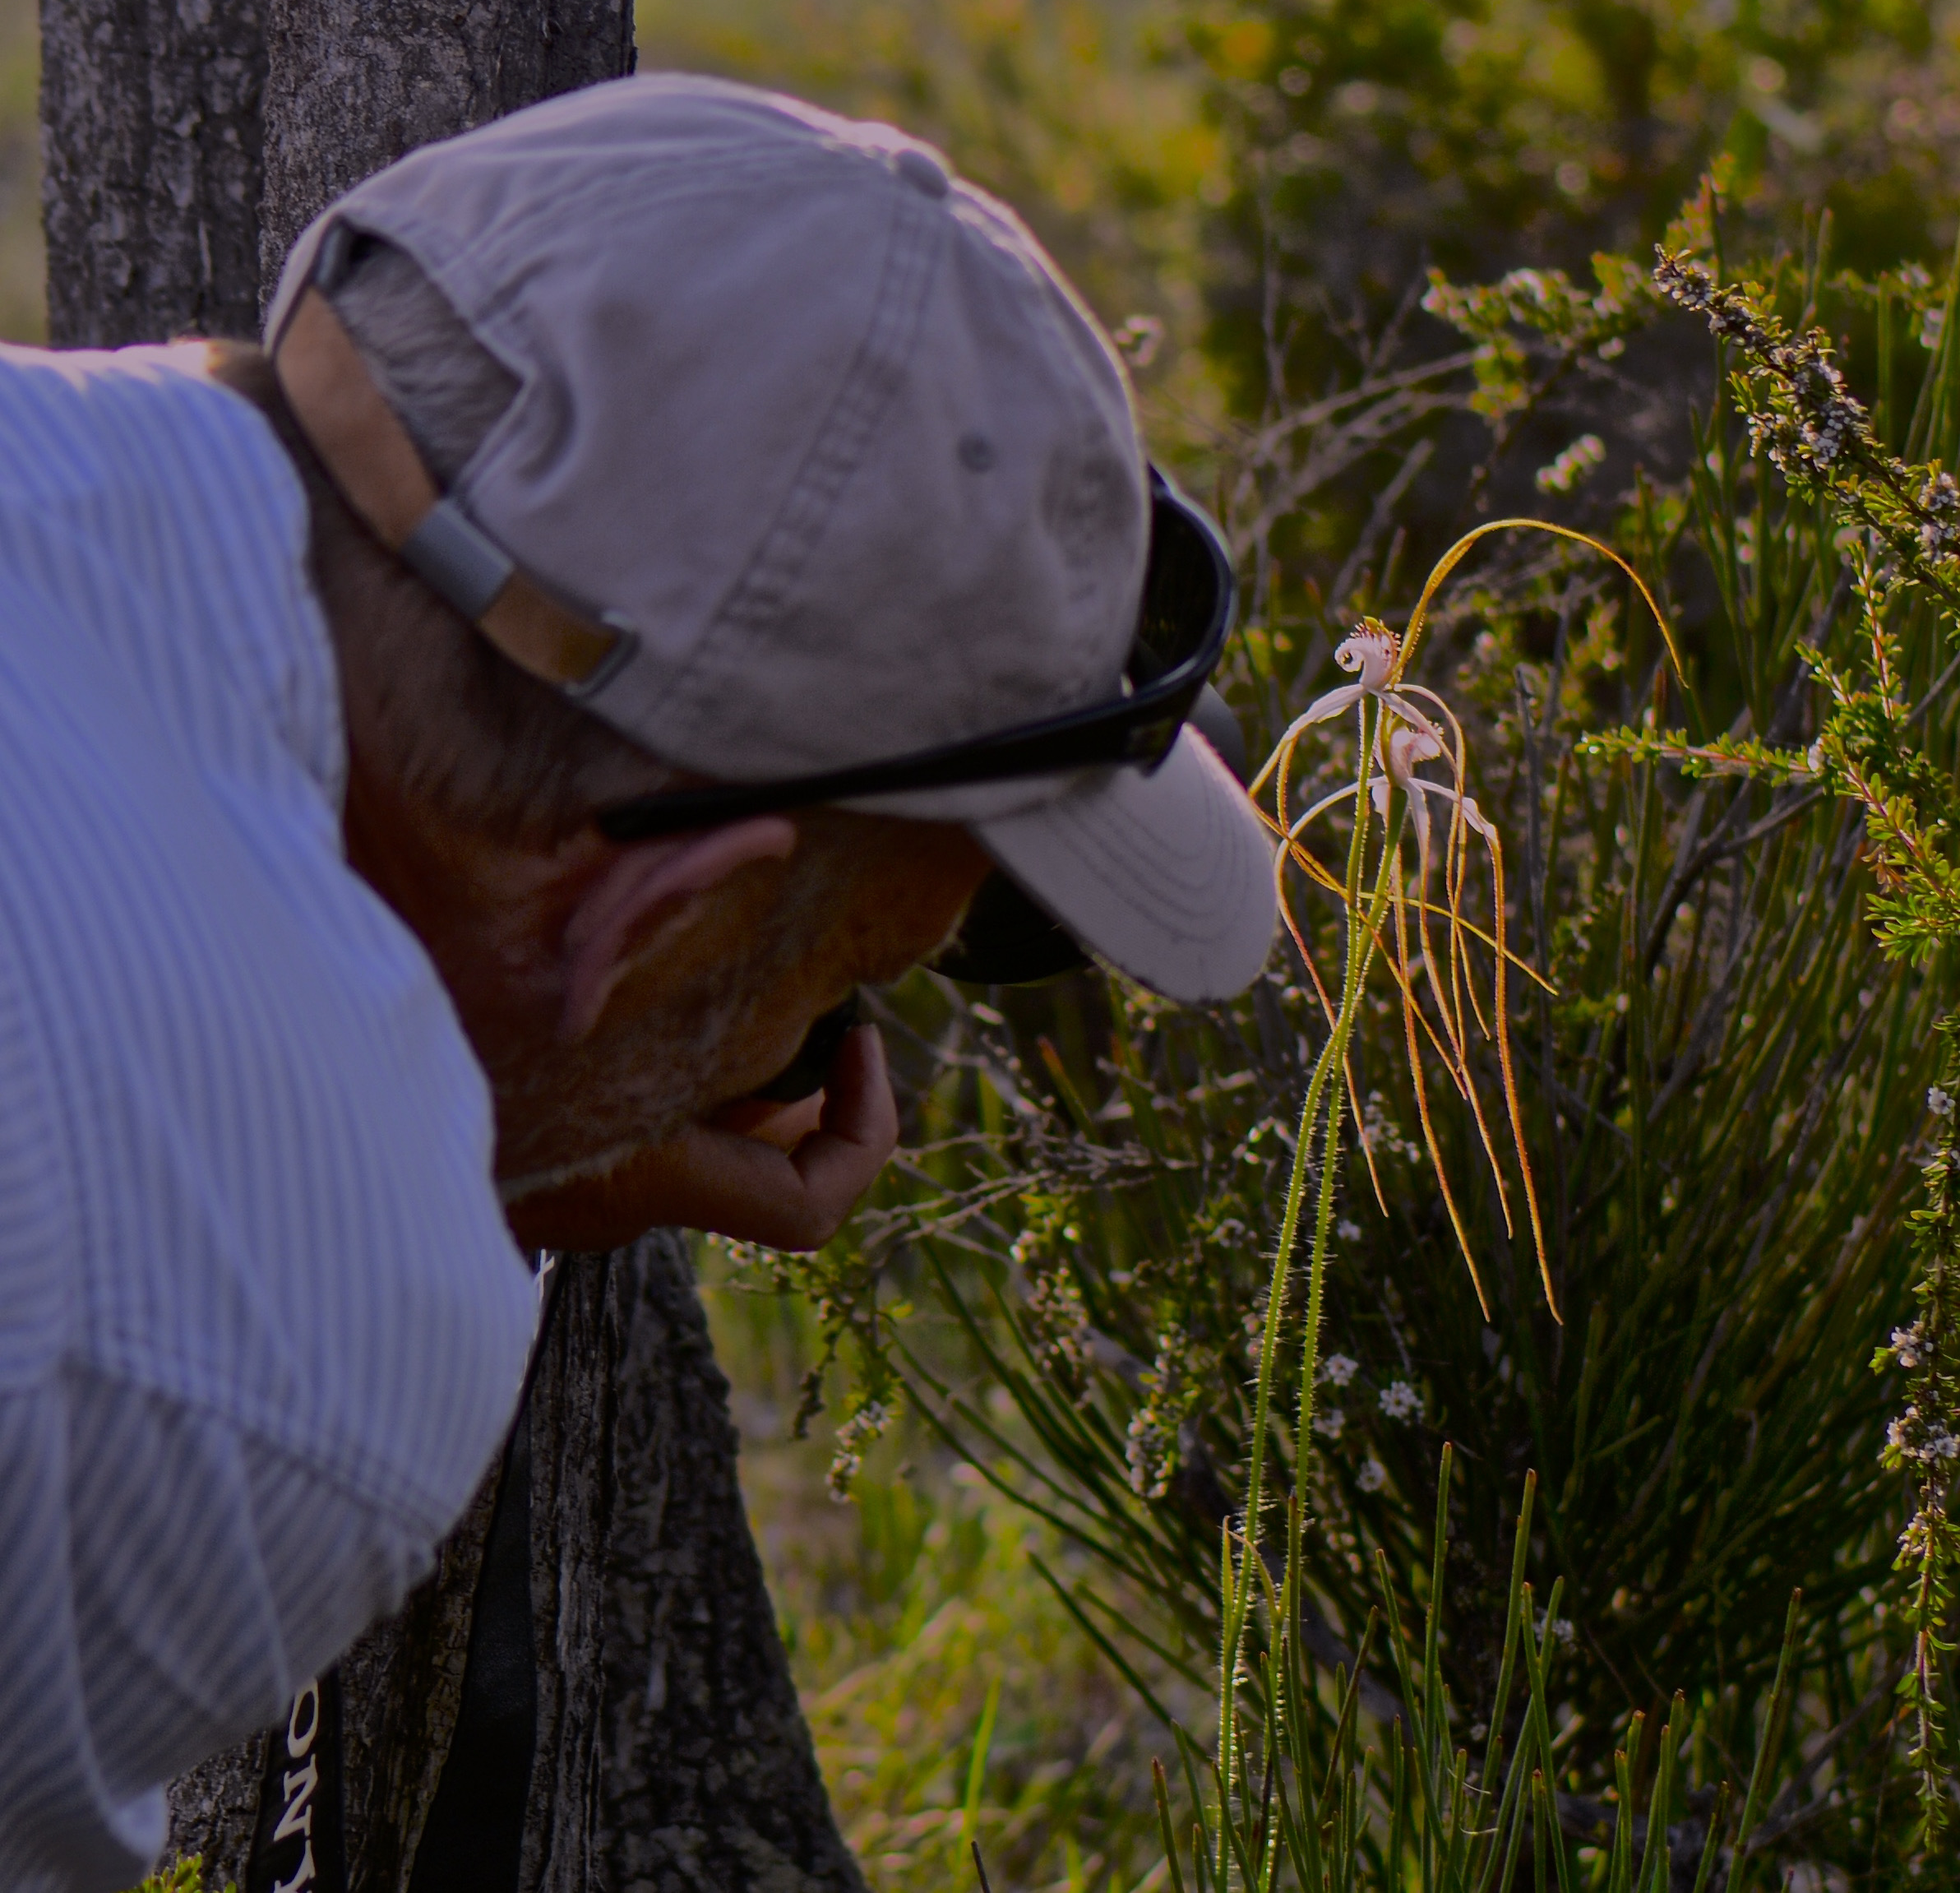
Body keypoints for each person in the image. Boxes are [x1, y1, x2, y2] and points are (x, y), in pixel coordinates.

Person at [0, 73, 1276, 1892]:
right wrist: (426, 1175)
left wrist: (494, 1105)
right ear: (666, 910)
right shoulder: (265, 1336)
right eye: (847, 969)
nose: (814, 1057)